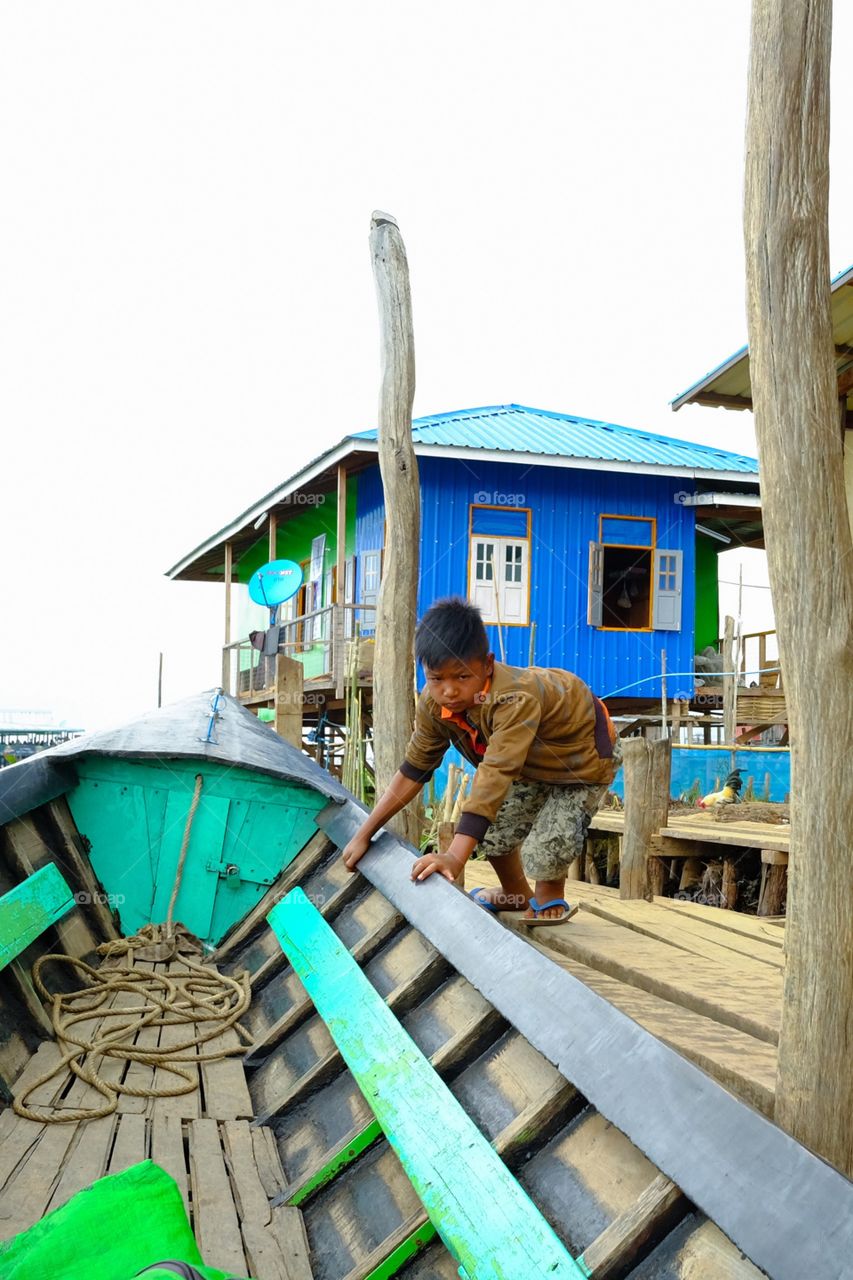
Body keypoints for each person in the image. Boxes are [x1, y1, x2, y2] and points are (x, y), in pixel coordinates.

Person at [342, 596, 622, 924]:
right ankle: (516, 894)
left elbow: (496, 773)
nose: (448, 690)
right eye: (436, 679)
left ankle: (549, 896)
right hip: (529, 761)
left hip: (582, 754)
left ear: (487, 666)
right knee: (492, 827)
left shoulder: (514, 699)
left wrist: (453, 858)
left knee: (551, 836)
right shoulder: (434, 708)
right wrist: (365, 833)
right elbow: (414, 768)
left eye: (461, 677)